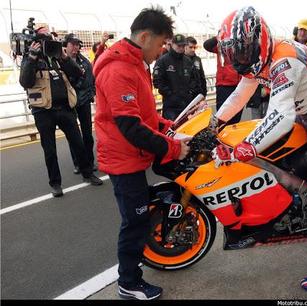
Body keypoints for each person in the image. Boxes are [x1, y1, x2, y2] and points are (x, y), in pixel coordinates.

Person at [211, 6, 307, 293]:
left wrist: (245, 146)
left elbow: (281, 117)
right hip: (306, 116)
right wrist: (214, 123)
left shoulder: (284, 59)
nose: (238, 59)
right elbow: (241, 94)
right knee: (282, 170)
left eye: (241, 52)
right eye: (233, 53)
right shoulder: (258, 60)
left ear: (258, 41)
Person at [93, 7, 191, 300]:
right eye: (161, 44)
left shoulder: (135, 64)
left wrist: (168, 125)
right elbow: (130, 125)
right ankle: (129, 282)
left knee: (138, 213)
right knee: (134, 221)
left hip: (132, 155)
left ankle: (139, 267)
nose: (162, 51)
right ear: (145, 36)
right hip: (123, 159)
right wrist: (172, 146)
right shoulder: (118, 68)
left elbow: (143, 114)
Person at [19, 26, 103, 197]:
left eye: (50, 40)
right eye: (44, 40)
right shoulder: (31, 58)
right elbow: (25, 82)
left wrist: (64, 58)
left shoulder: (57, 57)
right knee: (49, 150)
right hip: (43, 111)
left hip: (65, 108)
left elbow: (78, 74)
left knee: (78, 143)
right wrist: (32, 58)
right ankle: (55, 183)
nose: (48, 44)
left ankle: (87, 173)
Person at [64, 33, 97, 174]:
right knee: (73, 136)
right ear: (66, 45)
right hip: (69, 103)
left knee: (87, 135)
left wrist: (91, 94)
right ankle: (78, 163)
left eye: (77, 44)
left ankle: (89, 161)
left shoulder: (84, 61)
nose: (75, 47)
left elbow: (90, 80)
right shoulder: (60, 61)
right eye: (73, 44)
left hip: (83, 101)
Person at [153, 33, 201, 120]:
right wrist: (170, 95)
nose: (181, 48)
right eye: (179, 46)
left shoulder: (188, 61)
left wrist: (190, 92)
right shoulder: (163, 61)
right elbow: (157, 81)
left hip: (187, 105)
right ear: (172, 44)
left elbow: (194, 79)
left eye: (183, 46)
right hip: (171, 106)